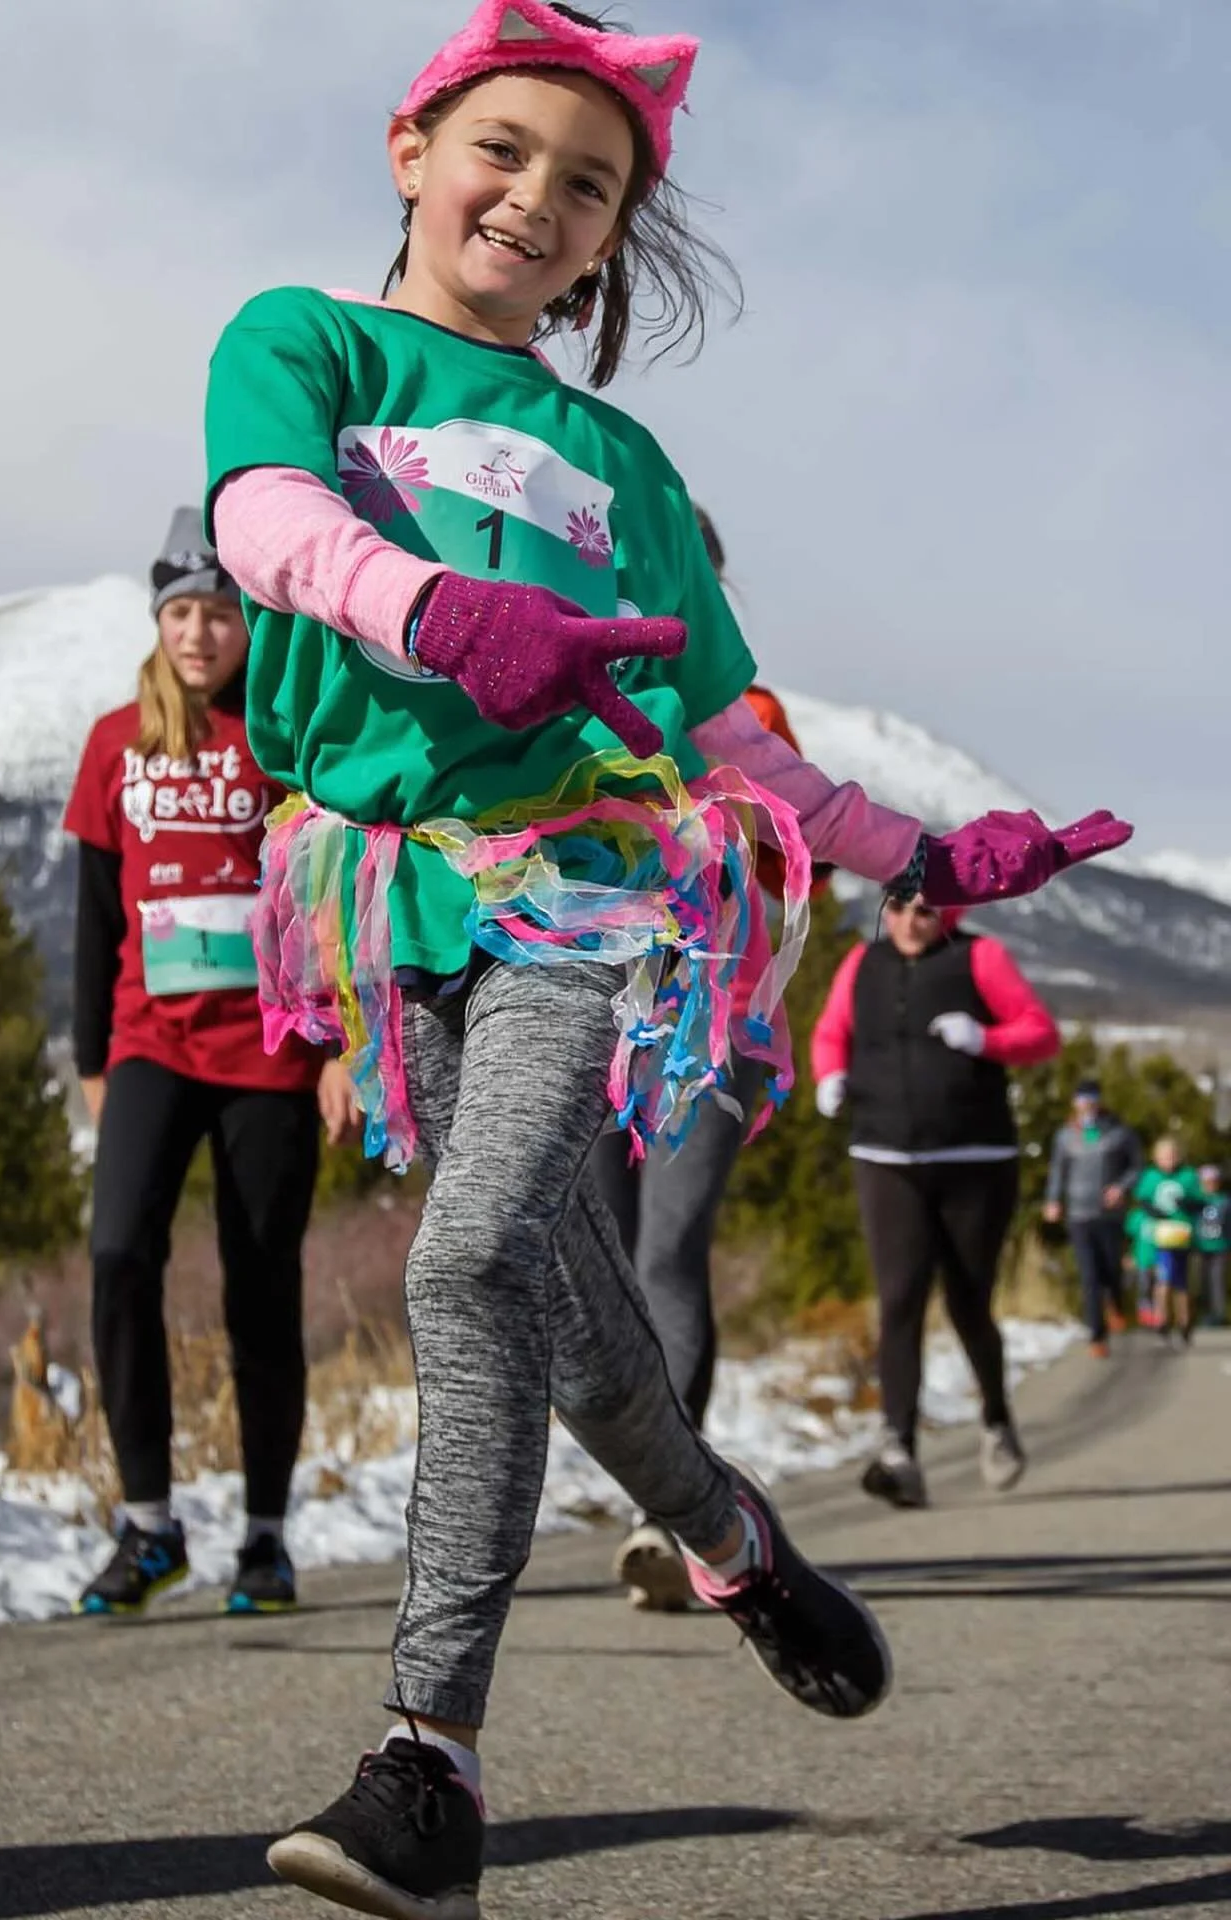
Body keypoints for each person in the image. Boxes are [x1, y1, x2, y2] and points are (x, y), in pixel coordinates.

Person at [202, 6, 1129, 1911]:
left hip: (574, 894)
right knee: (558, 1315)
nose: (538, 202)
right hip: (384, 894)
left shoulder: (612, 452)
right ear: (411, 149)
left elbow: (730, 740)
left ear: (617, 236)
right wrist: (442, 610)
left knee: (471, 1266)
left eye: (591, 186)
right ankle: (730, 1537)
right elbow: (263, 521)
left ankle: (425, 1770)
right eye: (507, 155)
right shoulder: (302, 341)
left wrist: (932, 850)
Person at [64, 509, 356, 1618]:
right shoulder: (112, 743)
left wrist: (338, 1043)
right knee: (118, 1254)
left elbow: (328, 898)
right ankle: (147, 1526)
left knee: (261, 1287)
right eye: (181, 613)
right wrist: (94, 1057)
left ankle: (266, 1538)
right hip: (149, 1043)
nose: (200, 633)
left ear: (247, 623)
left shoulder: (284, 741)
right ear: (159, 623)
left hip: (271, 1049)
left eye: (219, 613)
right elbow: (96, 914)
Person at [592, 503, 830, 1611]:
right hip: (590, 1023)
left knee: (666, 1258)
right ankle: (672, 1489)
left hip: (712, 1024)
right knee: (597, 1264)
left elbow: (790, 869)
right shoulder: (563, 698)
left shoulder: (752, 711)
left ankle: (670, 1519)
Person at [811, 901, 1061, 1508]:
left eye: (924, 911)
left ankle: (997, 1420)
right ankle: (899, 1449)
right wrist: (829, 1074)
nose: (909, 921)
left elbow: (1041, 1033)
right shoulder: (861, 962)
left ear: (947, 913)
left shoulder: (980, 956)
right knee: (900, 1299)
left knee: (968, 1303)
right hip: (886, 1156)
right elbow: (830, 1031)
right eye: (896, 907)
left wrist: (986, 1038)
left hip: (974, 1159)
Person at [1043, 1079, 1142, 1356]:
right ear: (1075, 1104)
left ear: (1099, 1102)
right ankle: (1097, 1336)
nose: (1086, 1106)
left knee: (1111, 1270)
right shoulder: (1064, 1136)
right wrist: (1053, 1200)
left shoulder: (1119, 1132)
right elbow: (1057, 1171)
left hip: (1109, 1214)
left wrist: (1121, 1188)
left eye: (1091, 1100)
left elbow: (1136, 1167)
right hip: (1078, 1213)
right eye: (1081, 1101)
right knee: (1089, 1276)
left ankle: (1116, 1302)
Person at [1126, 1138, 1203, 1345]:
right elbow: (1143, 1200)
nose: (1169, 1160)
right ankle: (1162, 1319)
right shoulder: (1151, 1176)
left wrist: (1187, 1204)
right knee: (1164, 1279)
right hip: (1160, 1237)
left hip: (1183, 1235)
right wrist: (1154, 1212)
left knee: (1182, 1282)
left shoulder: (1188, 1176)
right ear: (1156, 1158)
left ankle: (1184, 1321)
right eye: (1165, 1156)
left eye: (1172, 1156)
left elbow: (1200, 1202)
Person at [1194, 1164, 1229, 1327]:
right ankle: (1205, 1314)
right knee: (1202, 1282)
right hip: (1200, 1248)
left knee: (1217, 1282)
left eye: (1212, 1181)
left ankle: (1218, 1314)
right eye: (1206, 1181)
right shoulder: (1196, 1200)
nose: (1209, 1184)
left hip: (1220, 1247)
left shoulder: (1225, 1201)